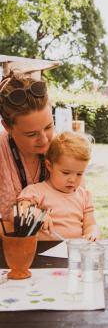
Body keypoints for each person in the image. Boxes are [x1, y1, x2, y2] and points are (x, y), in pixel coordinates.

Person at [17, 131, 99, 241]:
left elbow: (90, 224)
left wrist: (93, 233)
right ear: (49, 166)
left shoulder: (84, 196)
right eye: (66, 172)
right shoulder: (37, 191)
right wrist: (36, 213)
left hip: (74, 253)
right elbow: (20, 208)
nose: (73, 179)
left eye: (79, 173)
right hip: (45, 254)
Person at [0, 74, 54, 231]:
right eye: (31, 134)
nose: (44, 140)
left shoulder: (62, 149)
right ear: (7, 127)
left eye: (49, 127)